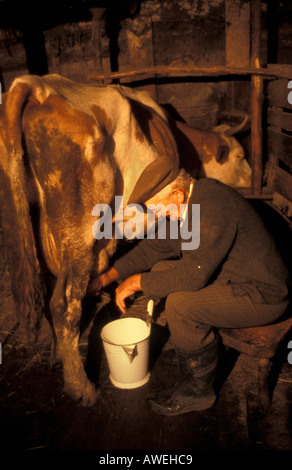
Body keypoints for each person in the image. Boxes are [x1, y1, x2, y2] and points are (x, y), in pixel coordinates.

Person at [87, 170, 290, 416]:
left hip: (262, 294)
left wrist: (136, 282)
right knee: (162, 269)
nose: (156, 215)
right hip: (234, 278)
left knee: (181, 305)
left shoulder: (212, 206)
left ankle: (197, 393)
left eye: (158, 209)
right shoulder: (190, 203)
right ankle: (194, 355)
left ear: (177, 194)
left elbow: (193, 277)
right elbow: (154, 248)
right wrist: (107, 277)